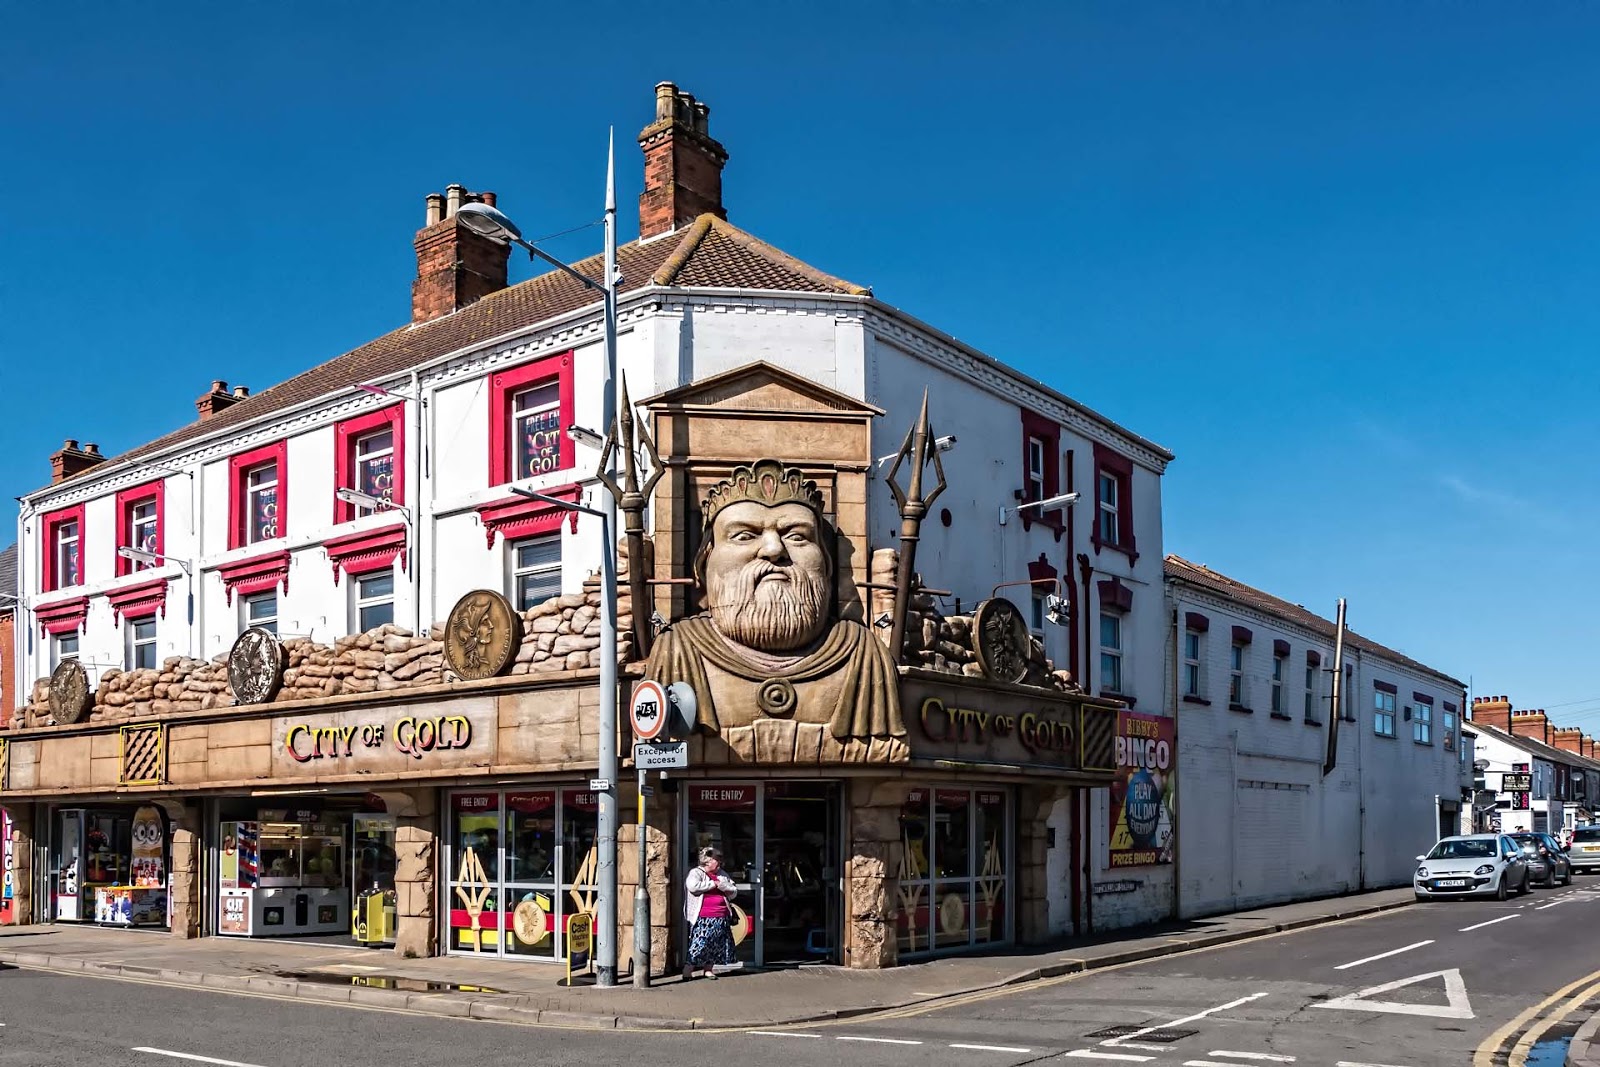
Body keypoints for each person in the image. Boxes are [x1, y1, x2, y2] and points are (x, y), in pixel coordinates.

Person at [683, 846, 739, 980]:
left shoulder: (722, 874)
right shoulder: (696, 873)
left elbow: (733, 891)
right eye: (716, 860)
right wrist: (713, 884)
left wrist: (722, 885)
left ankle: (708, 969)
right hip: (703, 916)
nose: (719, 862)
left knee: (716, 945)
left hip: (721, 915)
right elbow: (693, 887)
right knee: (699, 943)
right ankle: (687, 970)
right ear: (707, 861)